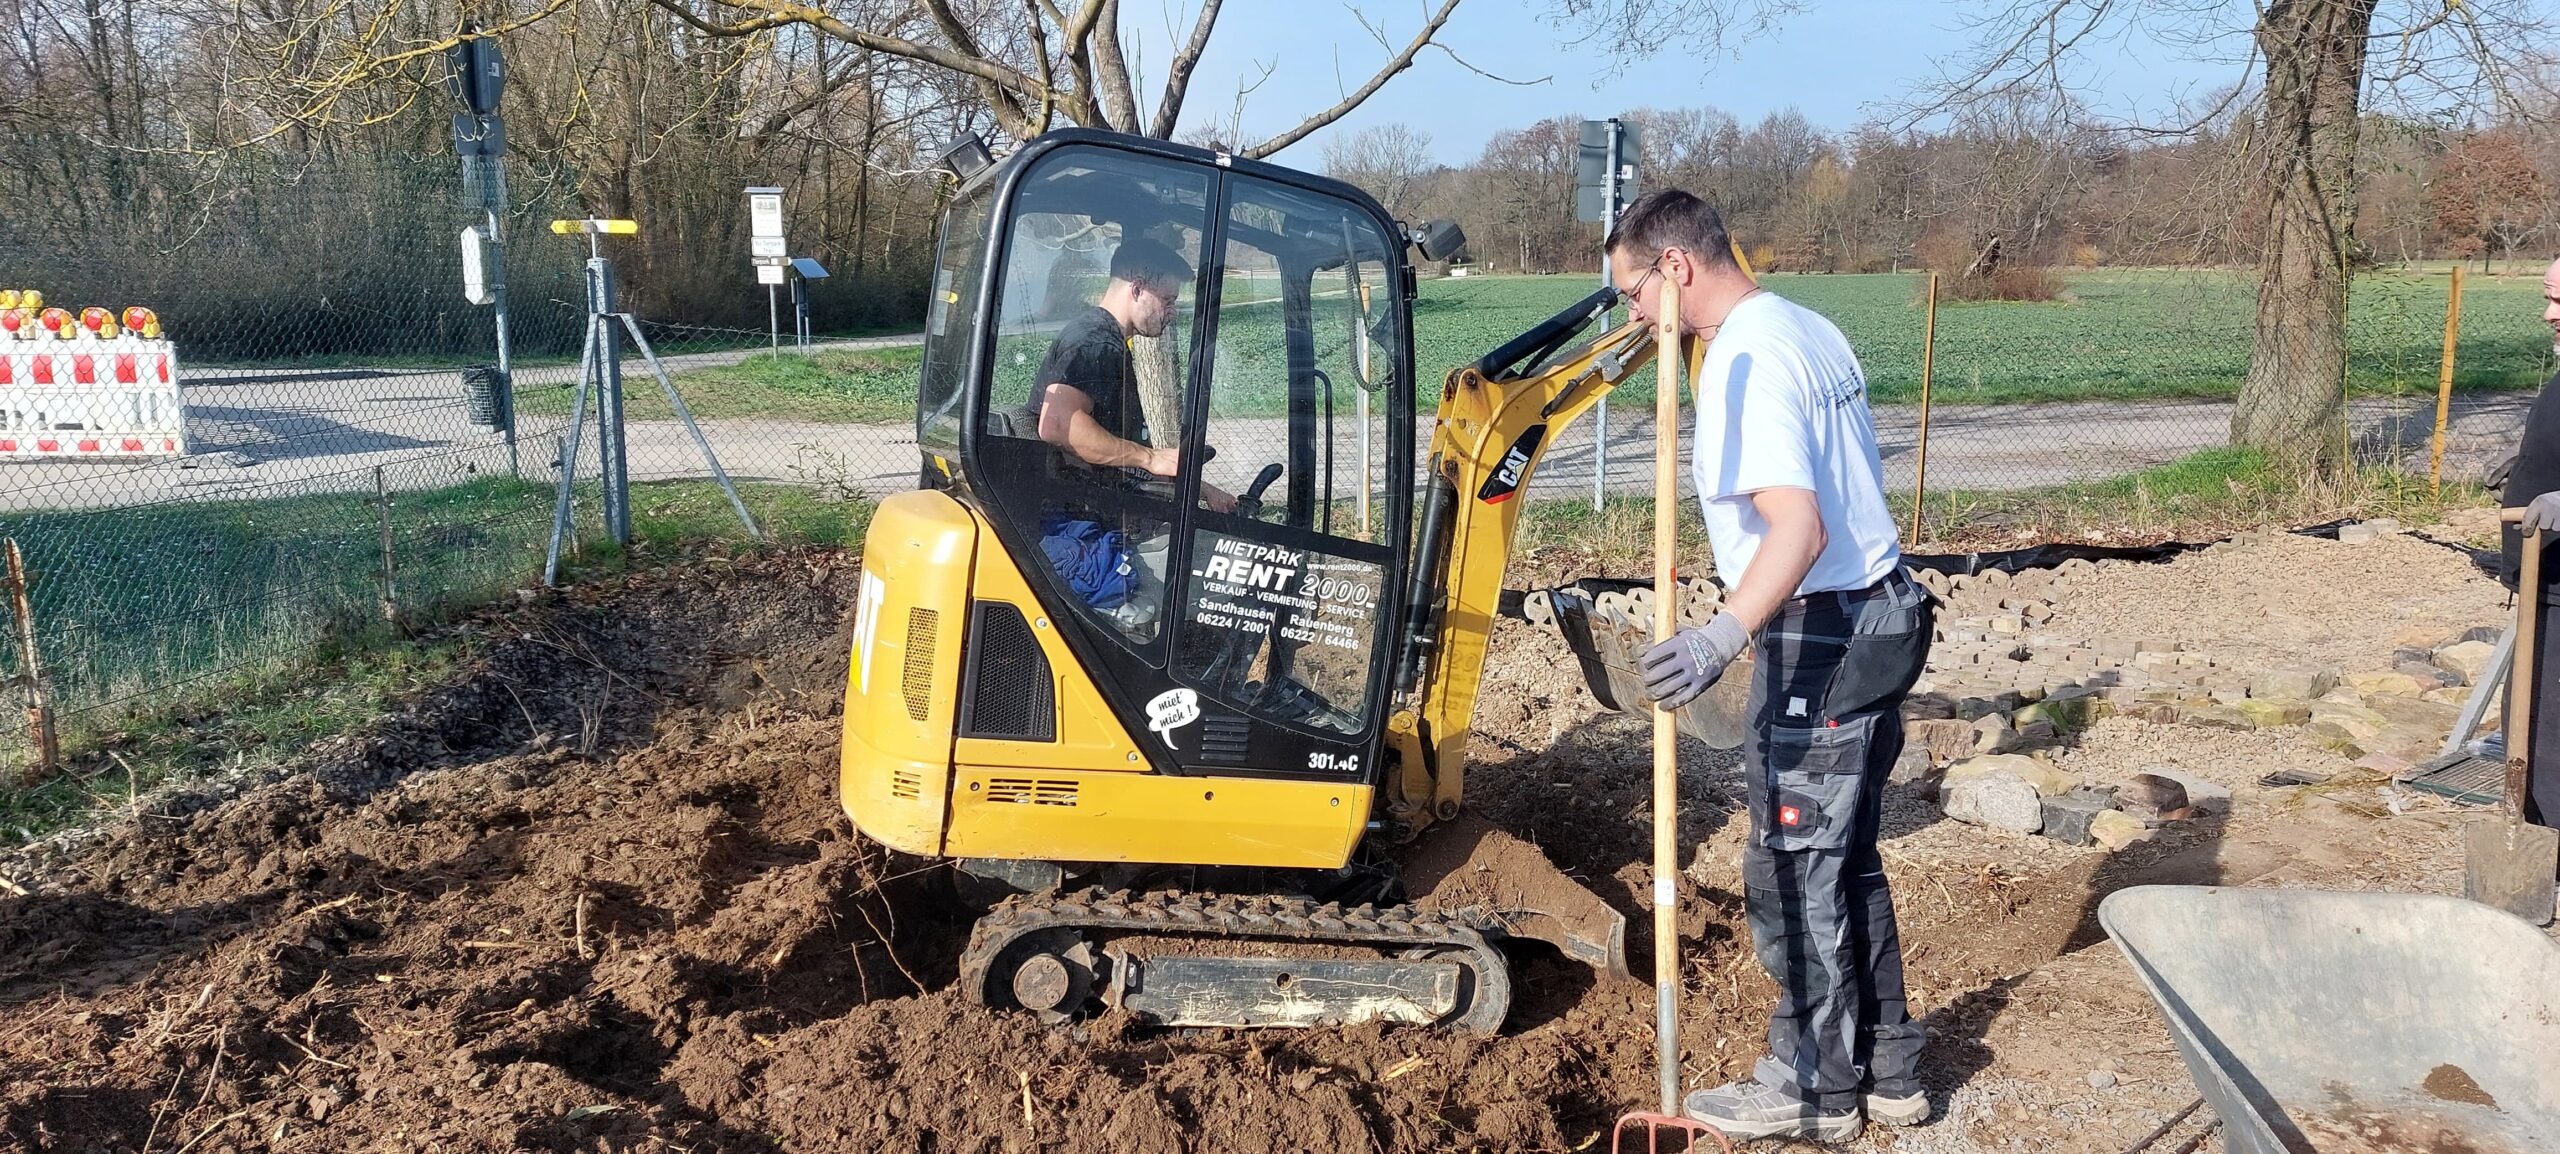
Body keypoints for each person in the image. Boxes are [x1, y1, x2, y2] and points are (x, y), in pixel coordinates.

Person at [1609, 190, 1935, 1142]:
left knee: (1790, 867)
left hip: (1823, 634)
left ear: (1675, 268)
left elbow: (1799, 527)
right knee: (1846, 858)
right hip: (1882, 612)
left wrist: (1720, 636)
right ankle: (1889, 1071)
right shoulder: (1805, 326)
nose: (1632, 314)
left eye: (1632, 292)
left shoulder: (1744, 362)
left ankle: (1812, 1088)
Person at [2500, 257, 2560, 827]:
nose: (2548, 314)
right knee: (2530, 728)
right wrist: (2527, 461)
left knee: (2550, 740)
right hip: (2546, 584)